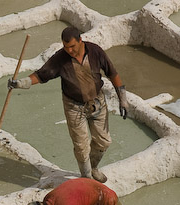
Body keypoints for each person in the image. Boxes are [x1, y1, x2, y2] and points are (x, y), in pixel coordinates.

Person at [8, 26, 129, 183]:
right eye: (66, 47)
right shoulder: (60, 58)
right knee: (81, 145)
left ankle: (93, 168)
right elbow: (41, 75)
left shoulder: (95, 51)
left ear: (80, 41)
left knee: (104, 141)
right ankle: (86, 177)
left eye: (72, 46)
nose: (69, 50)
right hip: (74, 106)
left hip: (97, 102)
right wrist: (21, 83)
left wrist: (123, 100)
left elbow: (112, 73)